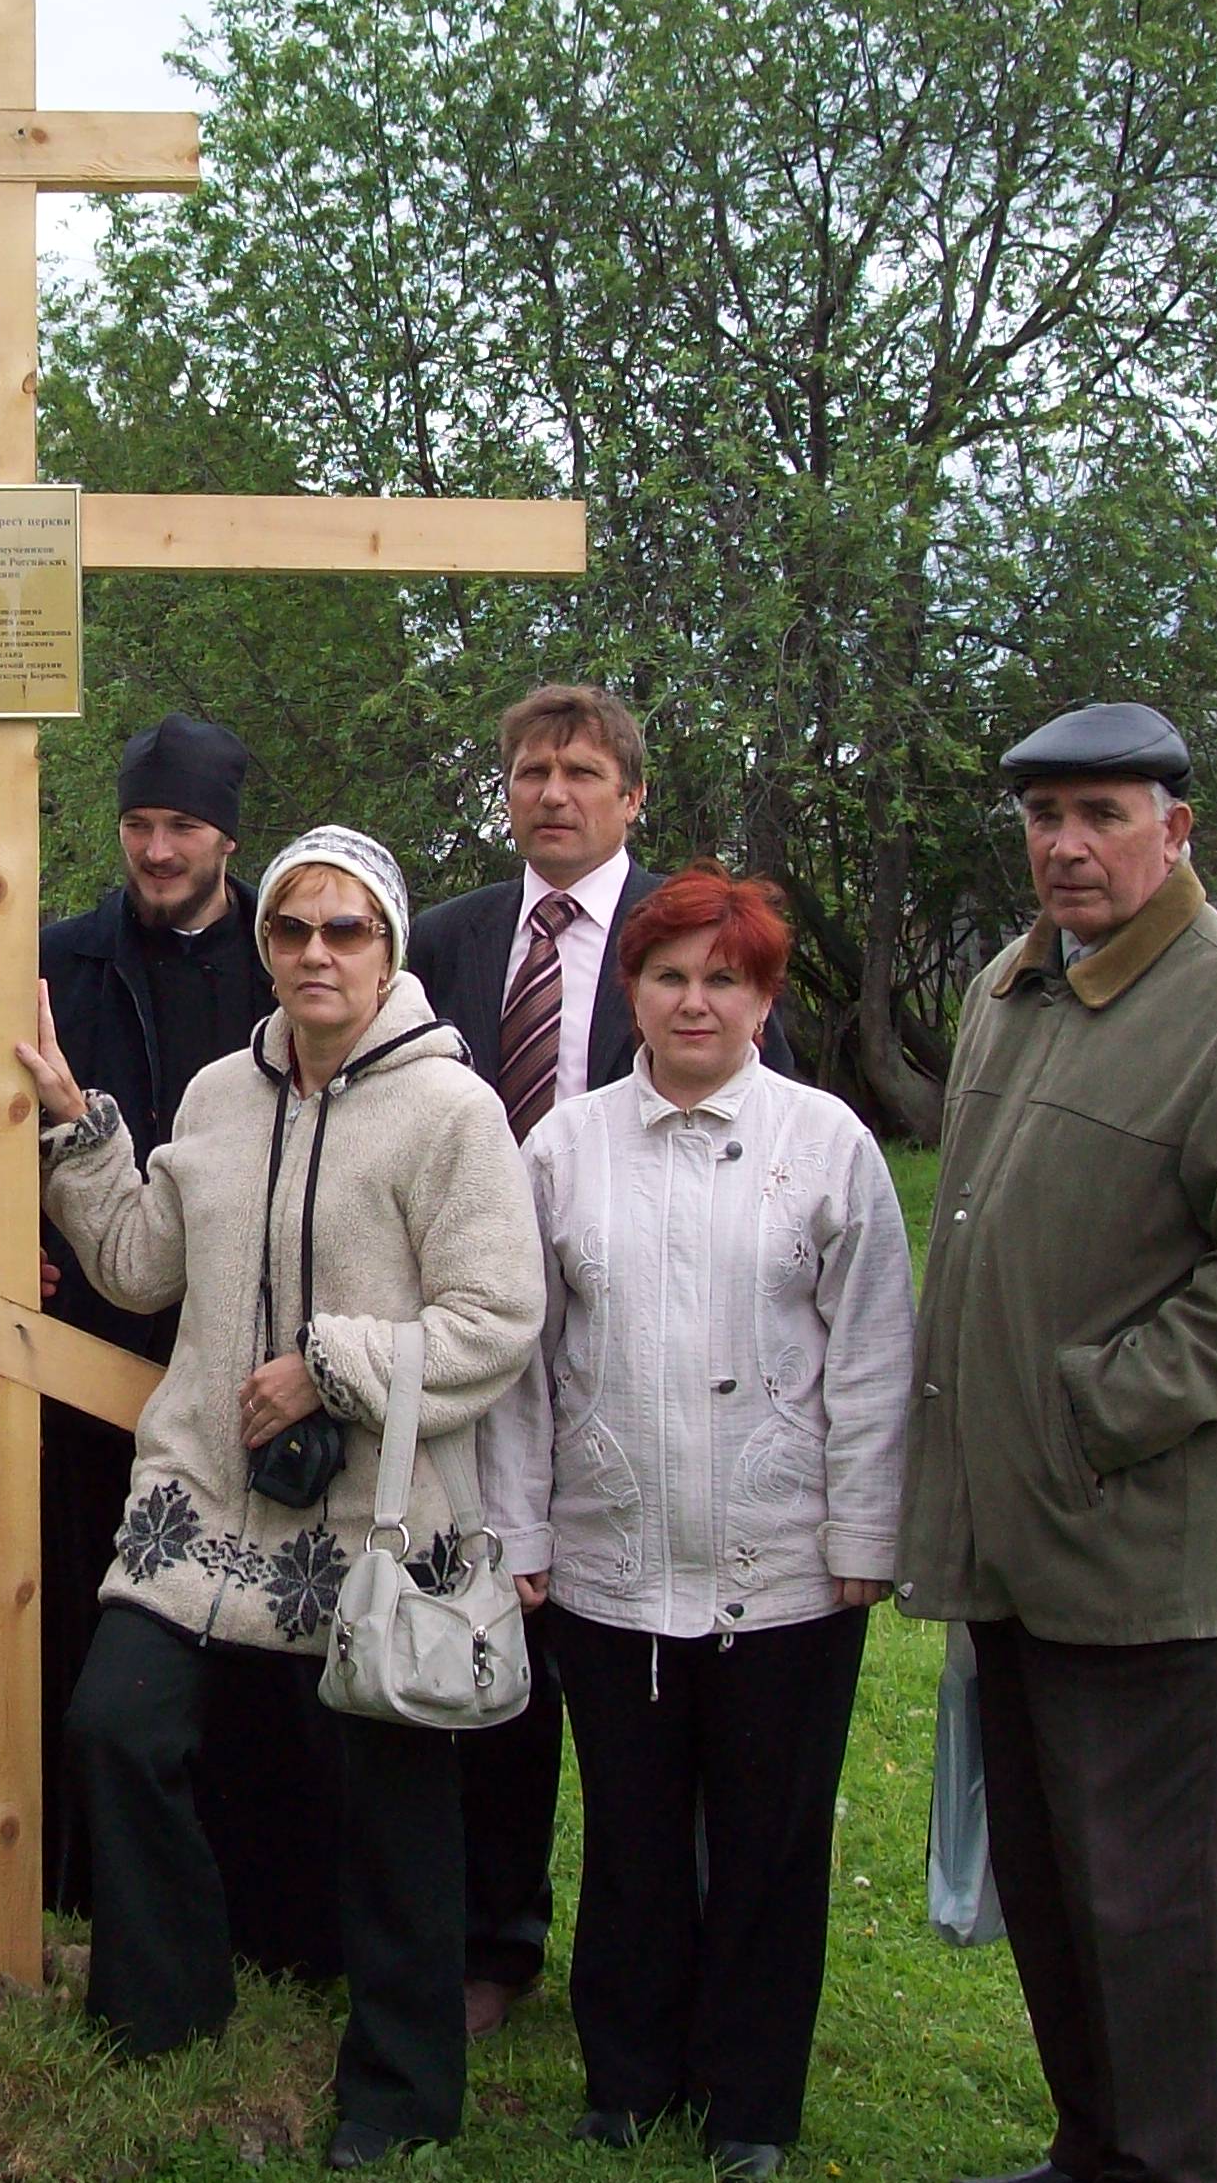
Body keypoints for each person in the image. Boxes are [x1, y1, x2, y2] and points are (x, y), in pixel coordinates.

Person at [20, 825, 543, 2172]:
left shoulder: (451, 1113)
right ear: (266, 947)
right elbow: (141, 1265)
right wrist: (78, 1130)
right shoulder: (217, 1095)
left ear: (389, 947)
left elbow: (495, 1319)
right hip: (200, 1501)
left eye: (345, 929)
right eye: (293, 929)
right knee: (116, 1728)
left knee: (391, 1814)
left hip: (370, 1526)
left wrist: (329, 1366)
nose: (317, 952)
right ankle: (165, 2015)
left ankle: (401, 2091)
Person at [898, 703, 1217, 2183]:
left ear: (1175, 829)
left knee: (1144, 1909)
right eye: (1044, 817)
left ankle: (1160, 2165)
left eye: (1102, 814)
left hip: (1140, 1555)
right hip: (1011, 1538)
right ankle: (1089, 2151)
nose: (1068, 846)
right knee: (1048, 1884)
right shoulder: (1011, 985)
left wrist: (1097, 1410)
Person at [483, 863, 913, 2180]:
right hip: (610, 1556)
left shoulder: (826, 1146)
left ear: (764, 999)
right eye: (669, 976)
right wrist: (521, 1531)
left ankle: (749, 2104)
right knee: (630, 1831)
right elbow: (522, 1362)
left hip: (784, 1565)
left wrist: (863, 1537)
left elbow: (874, 1353)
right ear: (631, 991)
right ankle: (627, 2078)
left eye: (724, 980)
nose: (693, 1002)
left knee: (771, 1842)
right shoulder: (562, 1151)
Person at [412, 682, 798, 2034]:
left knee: (656, 1686)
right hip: (479, 1350)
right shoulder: (446, 943)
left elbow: (772, 1138)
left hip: (650, 1357)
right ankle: (493, 1939)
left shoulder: (686, 941)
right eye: (531, 771)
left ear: (632, 796)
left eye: (582, 772)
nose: (553, 793)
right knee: (496, 1649)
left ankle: (669, 1947)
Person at [37, 714, 327, 1954]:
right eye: (139, 825)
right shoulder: (57, 961)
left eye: (183, 828)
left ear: (227, 839)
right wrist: (9, 1244)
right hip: (85, 1333)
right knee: (92, 1617)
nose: (157, 851)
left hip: (252, 1360)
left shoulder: (290, 963)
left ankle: (264, 1901)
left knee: (261, 1628)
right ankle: (90, 1887)